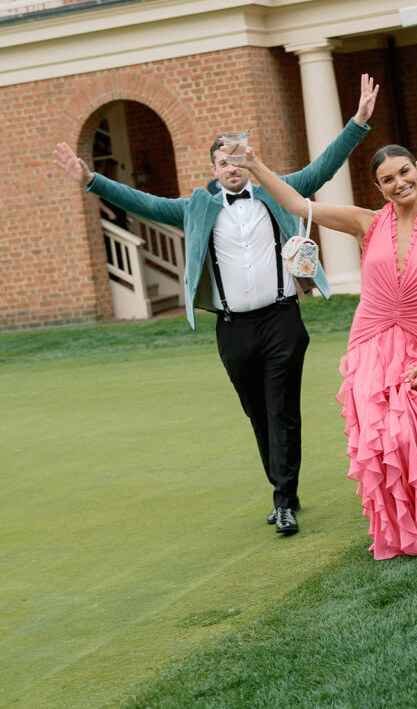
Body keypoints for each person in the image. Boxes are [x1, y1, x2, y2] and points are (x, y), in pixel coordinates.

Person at [52, 76, 379, 536]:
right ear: (214, 165)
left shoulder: (276, 190)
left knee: (282, 407)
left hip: (283, 319)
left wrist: (359, 122)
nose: (232, 168)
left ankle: (283, 499)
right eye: (223, 161)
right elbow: (142, 202)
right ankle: (284, 483)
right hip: (232, 329)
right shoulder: (197, 207)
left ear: (249, 161)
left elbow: (323, 169)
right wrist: (92, 181)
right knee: (257, 411)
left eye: (239, 159)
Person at [238, 141, 417, 559]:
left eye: (404, 173)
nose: (399, 183)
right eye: (388, 180)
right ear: (379, 189)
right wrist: (255, 165)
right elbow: (297, 203)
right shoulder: (367, 223)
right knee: (386, 442)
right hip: (369, 342)